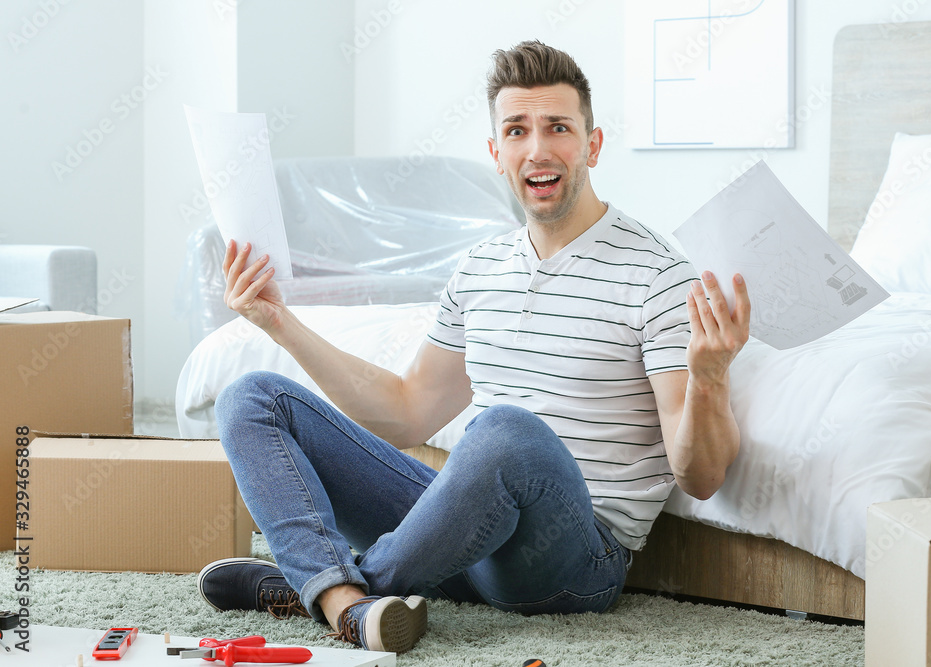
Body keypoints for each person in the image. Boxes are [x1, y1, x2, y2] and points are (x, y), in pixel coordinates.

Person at [197, 40, 750, 654]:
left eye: (558, 128)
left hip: (574, 562)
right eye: (517, 131)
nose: (537, 149)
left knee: (506, 433)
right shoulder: (479, 268)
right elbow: (407, 412)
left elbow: (700, 478)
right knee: (251, 396)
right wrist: (279, 323)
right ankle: (343, 601)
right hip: (469, 540)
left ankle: (323, 584)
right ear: (496, 153)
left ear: (592, 145)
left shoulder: (658, 274)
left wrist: (710, 378)